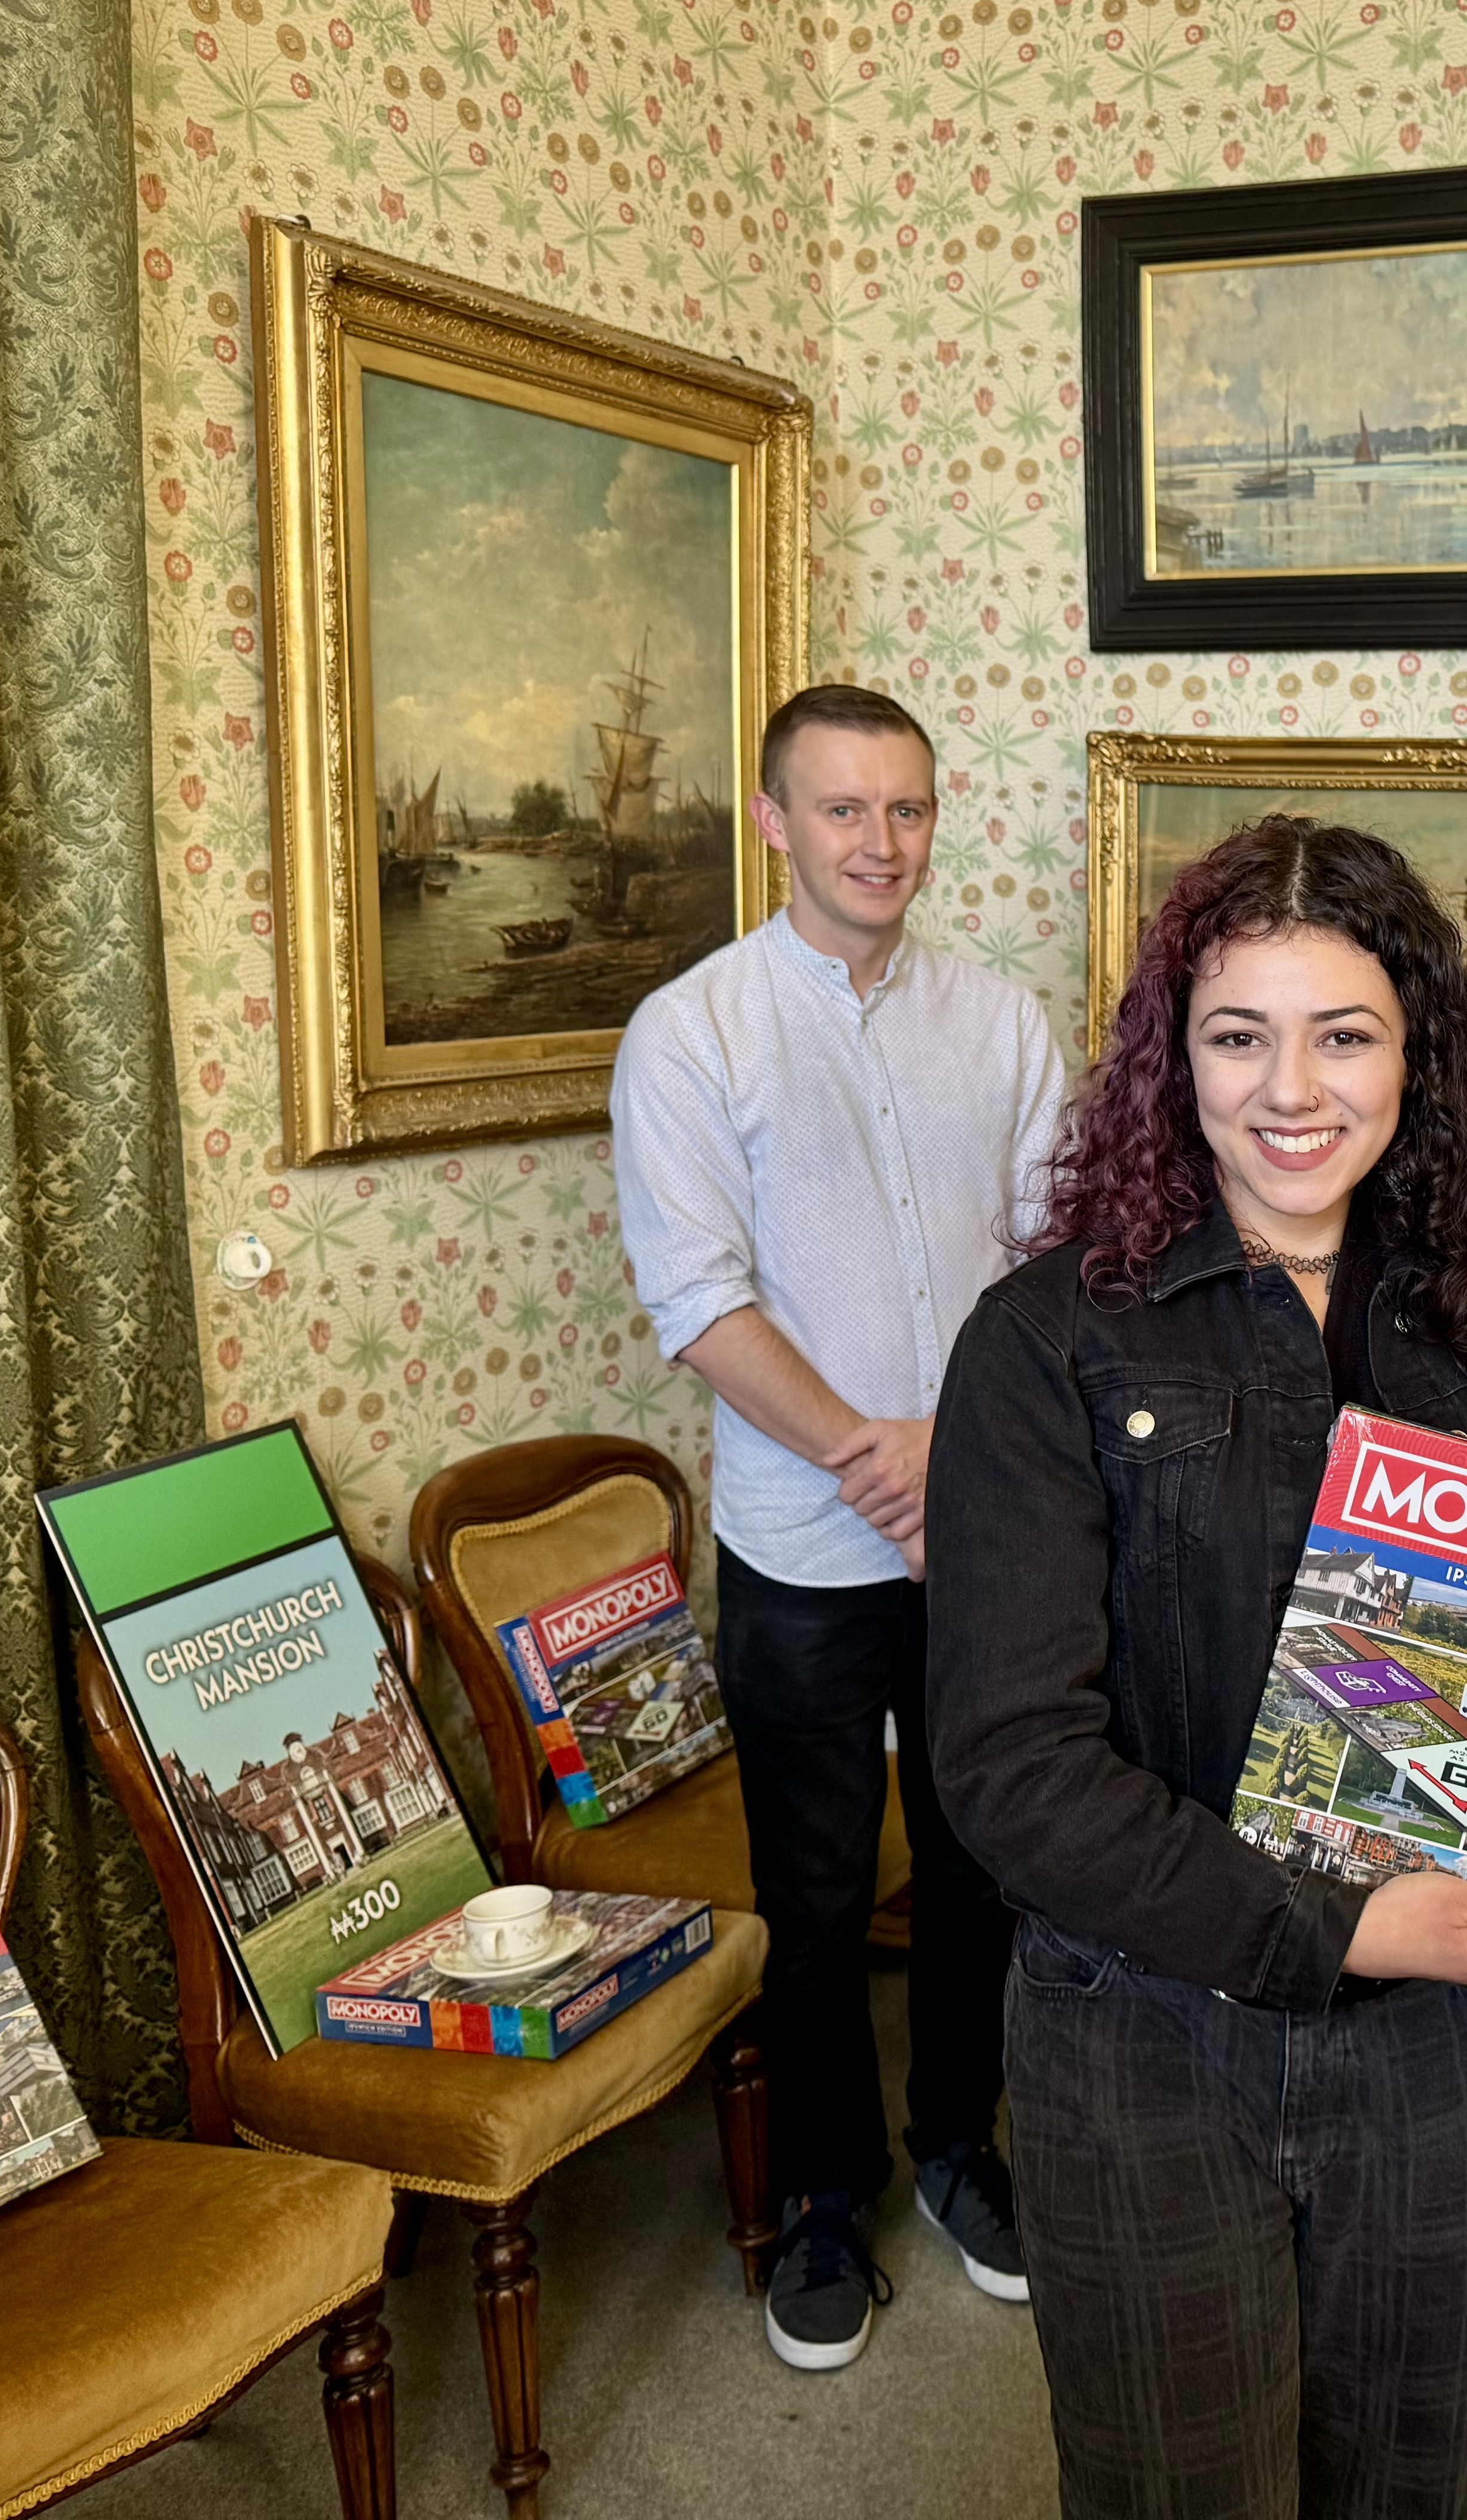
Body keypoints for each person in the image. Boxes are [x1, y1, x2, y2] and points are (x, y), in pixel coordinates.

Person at [926, 816, 1467, 2520]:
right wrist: (1335, 1922)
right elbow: (1012, 1767)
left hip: (1452, 2042)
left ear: (1417, 1054)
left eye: (1344, 1033)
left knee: (1400, 2485)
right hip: (1143, 2041)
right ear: (1176, 1062)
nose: (1291, 1088)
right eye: (1240, 1035)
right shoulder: (1045, 1338)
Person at [611, 683, 1064, 2371]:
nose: (884, 843)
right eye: (848, 810)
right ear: (775, 818)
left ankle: (958, 2149)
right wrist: (875, 1458)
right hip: (801, 1547)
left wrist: (960, 1449)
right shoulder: (694, 1032)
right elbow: (698, 1299)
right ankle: (823, 2197)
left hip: (984, 1535)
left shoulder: (1003, 1020)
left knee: (977, 1865)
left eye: (911, 810)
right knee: (808, 1898)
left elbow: (1047, 1257)